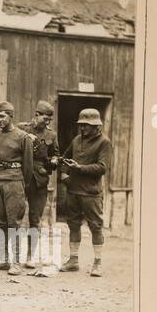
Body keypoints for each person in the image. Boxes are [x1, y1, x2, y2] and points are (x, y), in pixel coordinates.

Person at [58, 108, 113, 277]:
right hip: (73, 191)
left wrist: (80, 168)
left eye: (86, 126)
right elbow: (64, 158)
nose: (83, 129)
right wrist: (64, 175)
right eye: (81, 125)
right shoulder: (76, 140)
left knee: (96, 227)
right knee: (73, 225)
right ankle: (73, 260)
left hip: (91, 193)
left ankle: (97, 263)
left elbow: (102, 168)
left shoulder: (104, 142)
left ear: (97, 126)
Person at [0, 101, 35, 275]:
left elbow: (28, 167)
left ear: (11, 116)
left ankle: (16, 262)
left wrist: (22, 185)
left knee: (14, 222)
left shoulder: (23, 137)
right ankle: (3, 259)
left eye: (3, 116)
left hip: (14, 182)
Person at [19, 99, 60, 269]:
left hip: (40, 181)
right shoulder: (21, 129)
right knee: (14, 217)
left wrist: (55, 161)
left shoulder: (52, 135)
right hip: (20, 178)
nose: (48, 122)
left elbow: (55, 155)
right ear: (36, 115)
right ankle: (10, 256)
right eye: (45, 118)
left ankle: (30, 256)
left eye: (50, 119)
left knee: (35, 219)